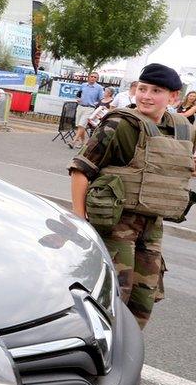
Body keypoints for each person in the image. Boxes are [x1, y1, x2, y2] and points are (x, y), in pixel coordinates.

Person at [69, 63, 195, 329]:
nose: (146, 96)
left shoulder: (182, 129)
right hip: (116, 222)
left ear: (173, 97)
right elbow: (81, 170)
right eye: (142, 88)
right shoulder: (119, 124)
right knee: (112, 297)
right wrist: (80, 220)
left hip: (152, 225)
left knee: (143, 300)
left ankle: (125, 357)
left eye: (156, 91)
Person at [72, 71, 104, 147]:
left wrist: (97, 103)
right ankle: (83, 142)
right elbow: (78, 95)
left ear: (97, 79)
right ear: (88, 77)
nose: (93, 78)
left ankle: (73, 141)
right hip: (80, 106)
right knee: (79, 126)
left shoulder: (99, 88)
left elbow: (101, 99)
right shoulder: (83, 85)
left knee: (82, 125)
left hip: (90, 108)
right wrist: (78, 98)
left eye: (95, 77)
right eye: (91, 76)